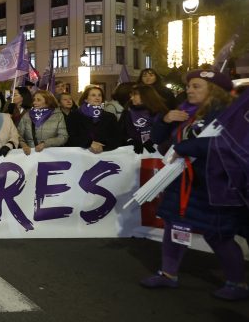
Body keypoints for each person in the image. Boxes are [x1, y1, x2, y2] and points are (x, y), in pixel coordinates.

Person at [141, 69, 249, 300]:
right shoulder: (186, 111)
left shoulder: (231, 115)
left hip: (215, 186)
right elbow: (159, 139)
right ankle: (168, 274)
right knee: (175, 227)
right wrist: (164, 120)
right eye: (189, 86)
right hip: (182, 181)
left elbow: (225, 146)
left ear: (214, 90)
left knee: (218, 235)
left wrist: (185, 148)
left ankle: (237, 282)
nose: (189, 90)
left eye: (196, 86)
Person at [66, 85, 121, 153]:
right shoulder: (74, 115)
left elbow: (117, 138)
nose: (97, 98)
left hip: (105, 153)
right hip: (80, 154)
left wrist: (103, 147)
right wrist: (89, 144)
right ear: (86, 99)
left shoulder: (110, 116)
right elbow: (72, 136)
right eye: (93, 95)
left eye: (99, 95)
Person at [119, 85, 168, 154]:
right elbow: (121, 131)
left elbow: (166, 133)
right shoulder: (128, 111)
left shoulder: (161, 113)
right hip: (132, 152)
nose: (132, 97)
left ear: (145, 96)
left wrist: (152, 141)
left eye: (135, 94)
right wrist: (131, 141)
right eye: (132, 94)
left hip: (157, 152)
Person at [18, 90, 68, 155]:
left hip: (50, 154)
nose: (34, 102)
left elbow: (63, 137)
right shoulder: (27, 115)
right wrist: (23, 145)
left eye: (38, 100)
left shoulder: (58, 115)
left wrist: (45, 144)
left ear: (48, 101)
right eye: (34, 100)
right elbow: (18, 134)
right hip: (31, 155)